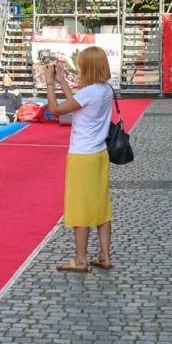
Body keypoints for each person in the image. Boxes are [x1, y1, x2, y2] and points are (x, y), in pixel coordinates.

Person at [43, 47, 115, 273]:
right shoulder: (106, 89)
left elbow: (55, 110)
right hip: (100, 153)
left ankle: (80, 259)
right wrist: (63, 81)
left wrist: (50, 84)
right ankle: (104, 256)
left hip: (82, 155)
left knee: (80, 207)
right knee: (101, 204)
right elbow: (76, 102)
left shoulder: (89, 92)